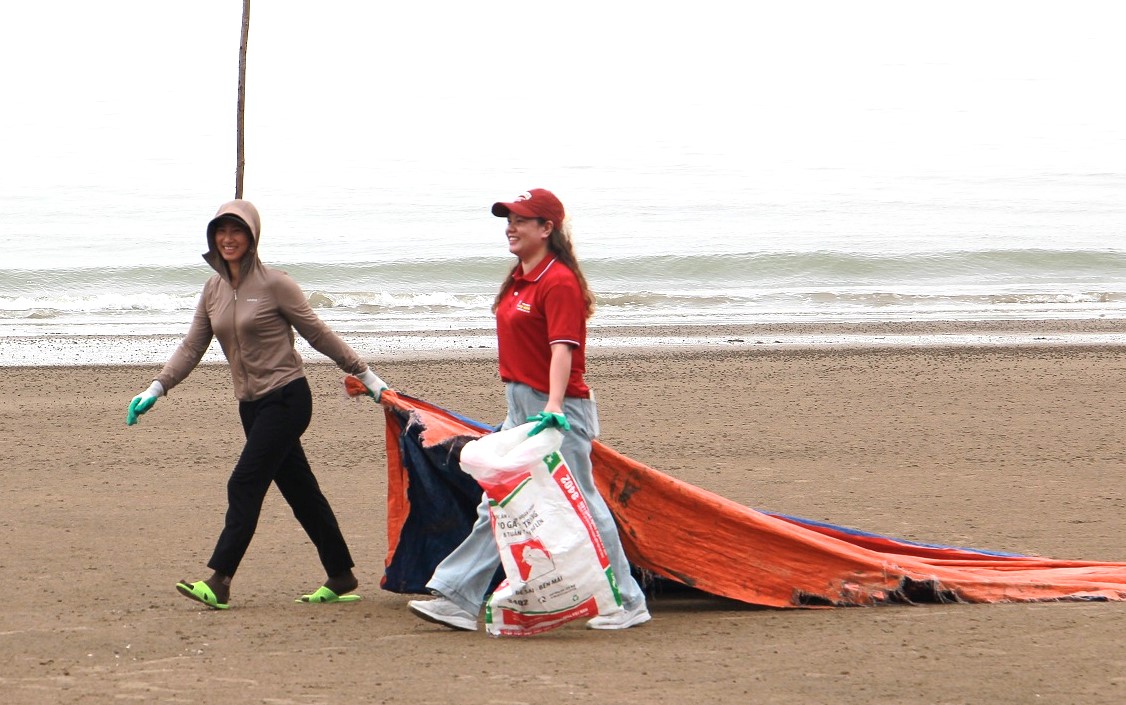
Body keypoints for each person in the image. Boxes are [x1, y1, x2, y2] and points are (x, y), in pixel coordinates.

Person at [125, 199, 388, 610]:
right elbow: (193, 345)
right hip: (250, 405)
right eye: (221, 231)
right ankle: (340, 574)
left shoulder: (275, 284)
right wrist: (156, 388)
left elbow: (318, 333)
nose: (228, 239)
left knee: (244, 483)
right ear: (212, 237)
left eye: (237, 231)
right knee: (301, 491)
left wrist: (366, 376)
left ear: (252, 237)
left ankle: (220, 579)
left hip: (287, 397)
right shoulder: (212, 289)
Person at [407, 188, 651, 630]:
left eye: (521, 220)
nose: (510, 227)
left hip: (557, 409)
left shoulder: (559, 282)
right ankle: (457, 599)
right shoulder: (520, 277)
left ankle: (629, 603)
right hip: (521, 404)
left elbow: (564, 350)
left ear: (547, 228)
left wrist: (553, 406)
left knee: (584, 505)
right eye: (508, 219)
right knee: (498, 498)